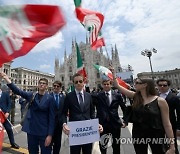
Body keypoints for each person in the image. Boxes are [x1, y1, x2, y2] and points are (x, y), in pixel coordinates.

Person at [111, 69, 175, 154]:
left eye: (137, 83)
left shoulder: (160, 101)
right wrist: (113, 74)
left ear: (145, 85)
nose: (134, 84)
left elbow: (167, 124)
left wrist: (172, 146)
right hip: (138, 135)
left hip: (156, 135)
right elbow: (117, 85)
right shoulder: (135, 97)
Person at [0, 72, 55, 154]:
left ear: (47, 86)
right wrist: (7, 79)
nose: (41, 85)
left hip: (44, 131)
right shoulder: (32, 95)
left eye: (44, 83)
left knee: (46, 152)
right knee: (32, 151)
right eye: (40, 83)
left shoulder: (50, 99)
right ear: (38, 85)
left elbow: (52, 118)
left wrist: (50, 135)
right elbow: (18, 91)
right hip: (32, 131)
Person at [62, 73, 103, 154]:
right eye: (76, 82)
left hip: (87, 132)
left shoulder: (88, 96)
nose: (78, 83)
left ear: (84, 82)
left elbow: (92, 112)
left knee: (87, 152)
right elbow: (63, 113)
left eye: (80, 81)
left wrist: (96, 124)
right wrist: (64, 124)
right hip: (74, 132)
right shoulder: (69, 96)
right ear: (73, 83)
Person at [95, 79, 127, 154]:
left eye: (108, 84)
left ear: (111, 85)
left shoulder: (117, 95)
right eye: (104, 84)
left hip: (115, 123)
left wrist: (125, 121)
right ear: (102, 85)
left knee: (116, 145)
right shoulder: (98, 95)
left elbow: (124, 108)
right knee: (103, 144)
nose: (106, 86)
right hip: (102, 124)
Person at [157, 78, 180, 154]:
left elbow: (179, 113)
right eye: (160, 85)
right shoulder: (155, 96)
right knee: (160, 145)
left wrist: (178, 128)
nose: (162, 87)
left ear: (168, 86)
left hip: (171, 124)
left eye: (164, 85)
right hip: (158, 124)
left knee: (173, 145)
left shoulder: (174, 97)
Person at [0, 83, 19, 149]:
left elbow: (9, 103)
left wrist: (7, 112)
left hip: (4, 115)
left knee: (9, 129)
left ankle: (12, 143)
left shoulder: (5, 94)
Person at [50, 81, 65, 154]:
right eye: (54, 86)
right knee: (49, 143)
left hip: (59, 125)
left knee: (58, 144)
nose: (56, 87)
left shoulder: (63, 97)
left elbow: (64, 112)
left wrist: (64, 123)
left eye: (57, 86)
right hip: (49, 124)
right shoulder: (48, 96)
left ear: (60, 88)